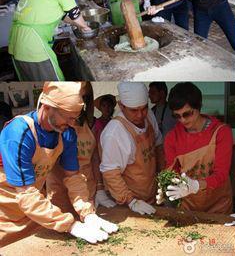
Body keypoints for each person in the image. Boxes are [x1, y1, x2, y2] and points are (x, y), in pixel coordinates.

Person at [0, 82, 117, 247]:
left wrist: (87, 213)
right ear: (47, 107)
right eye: (68, 117)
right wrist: (70, 225)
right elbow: (26, 194)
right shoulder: (19, 133)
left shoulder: (66, 133)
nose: (72, 123)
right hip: (4, 216)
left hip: (34, 215)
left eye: (74, 118)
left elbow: (74, 177)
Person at [157, 82, 233, 214]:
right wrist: (167, 188)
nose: (182, 120)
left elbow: (221, 174)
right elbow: (172, 171)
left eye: (187, 114)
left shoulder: (221, 132)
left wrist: (196, 185)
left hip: (218, 205)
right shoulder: (171, 138)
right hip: (188, 206)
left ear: (199, 107)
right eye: (177, 116)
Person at [46, 83, 116, 218]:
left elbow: (95, 158)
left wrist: (100, 187)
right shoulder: (55, 124)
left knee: (88, 220)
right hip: (61, 189)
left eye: (82, 98)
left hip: (86, 186)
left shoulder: (91, 123)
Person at [100, 82, 164, 216]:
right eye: (134, 110)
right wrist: (131, 201)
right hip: (128, 204)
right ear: (121, 106)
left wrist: (163, 178)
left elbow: (158, 145)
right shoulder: (114, 133)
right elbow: (111, 173)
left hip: (152, 194)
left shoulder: (149, 115)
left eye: (144, 108)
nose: (140, 115)